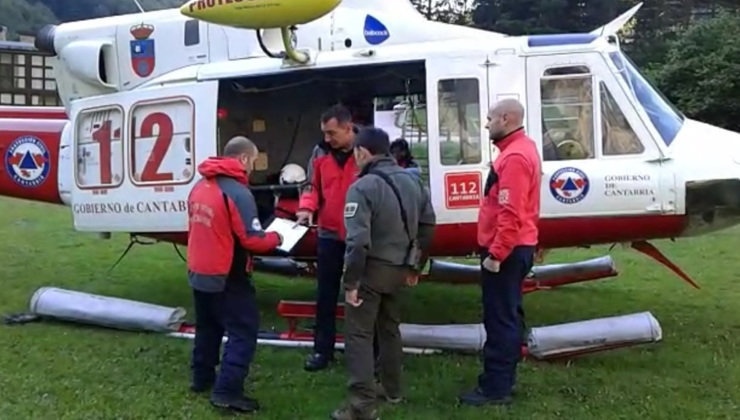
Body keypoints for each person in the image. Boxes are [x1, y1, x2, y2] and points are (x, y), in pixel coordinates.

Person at [331, 127, 436, 420]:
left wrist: (350, 282)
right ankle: (392, 389)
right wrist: (415, 265)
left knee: (359, 336)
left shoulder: (362, 187)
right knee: (390, 330)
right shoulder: (414, 181)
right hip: (400, 269)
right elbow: (428, 226)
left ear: (362, 152)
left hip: (371, 271)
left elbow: (357, 242)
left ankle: (361, 405)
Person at [186, 136, 283, 413]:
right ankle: (227, 391)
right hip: (227, 274)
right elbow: (252, 240)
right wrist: (277, 237)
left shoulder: (200, 186)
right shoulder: (238, 193)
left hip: (199, 270)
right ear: (243, 159)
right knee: (243, 330)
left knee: (207, 327)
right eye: (252, 161)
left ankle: (201, 378)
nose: (252, 168)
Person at [458, 98, 541, 406]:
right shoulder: (521, 149)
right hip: (517, 246)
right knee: (509, 313)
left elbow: (511, 212)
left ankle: (495, 388)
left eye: (490, 118)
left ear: (506, 119)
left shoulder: (515, 158)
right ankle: (504, 378)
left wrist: (496, 254)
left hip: (506, 251)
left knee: (499, 317)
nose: (486, 123)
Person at [296, 104, 360, 371]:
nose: (327, 139)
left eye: (332, 133)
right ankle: (323, 351)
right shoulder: (320, 152)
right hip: (329, 234)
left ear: (348, 128)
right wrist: (306, 208)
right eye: (324, 133)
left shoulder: (366, 150)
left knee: (363, 295)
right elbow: (311, 186)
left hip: (361, 234)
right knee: (325, 295)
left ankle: (367, 353)